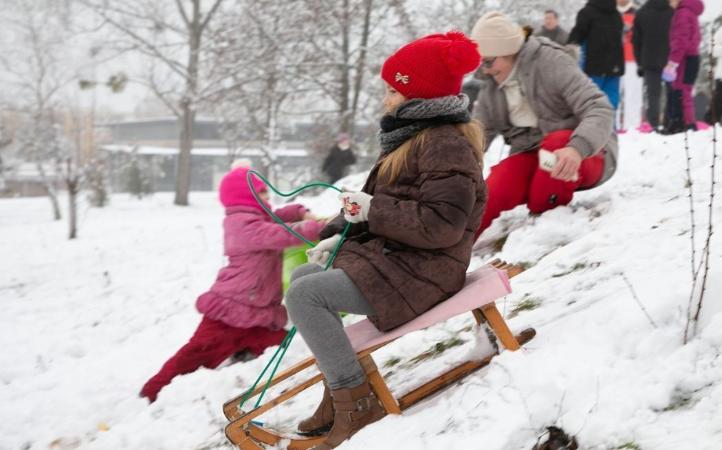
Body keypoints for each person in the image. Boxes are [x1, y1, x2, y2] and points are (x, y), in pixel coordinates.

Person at [284, 32, 486, 450]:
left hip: (425, 270)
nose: (385, 99)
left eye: (393, 90)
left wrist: (373, 210)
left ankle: (356, 402)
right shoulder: (412, 138)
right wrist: (337, 231)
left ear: (419, 96)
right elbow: (374, 205)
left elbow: (441, 224)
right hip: (400, 262)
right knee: (306, 274)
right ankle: (337, 392)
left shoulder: (445, 145)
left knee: (306, 296)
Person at [139, 162, 325, 403]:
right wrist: (317, 228)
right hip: (229, 312)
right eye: (261, 193)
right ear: (244, 197)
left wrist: (298, 211)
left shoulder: (256, 219)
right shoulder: (242, 225)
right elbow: (279, 234)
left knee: (283, 349)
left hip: (256, 316)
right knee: (195, 354)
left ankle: (246, 374)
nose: (268, 197)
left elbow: (277, 219)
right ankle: (152, 392)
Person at [469, 11, 617, 239]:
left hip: (587, 153)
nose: (485, 70)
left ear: (509, 52)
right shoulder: (490, 84)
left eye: (489, 61)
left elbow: (599, 107)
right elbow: (476, 136)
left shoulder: (551, 61)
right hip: (533, 156)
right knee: (495, 187)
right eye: (481, 63)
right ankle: (448, 250)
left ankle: (545, 225)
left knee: (556, 147)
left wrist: (577, 148)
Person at [567, 0, 625, 109]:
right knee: (611, 101)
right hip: (614, 66)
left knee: (592, 100)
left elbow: (576, 37)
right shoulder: (616, 14)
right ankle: (609, 125)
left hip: (593, 66)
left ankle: (594, 125)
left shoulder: (586, 13)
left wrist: (568, 56)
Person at [661, 0, 704, 134]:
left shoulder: (682, 13)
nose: (668, 2)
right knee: (685, 91)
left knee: (679, 90)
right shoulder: (690, 12)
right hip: (692, 56)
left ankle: (679, 124)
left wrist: (672, 62)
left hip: (684, 58)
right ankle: (688, 123)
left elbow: (680, 41)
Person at [633, 0, 674, 131]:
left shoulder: (641, 13)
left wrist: (639, 62)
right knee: (671, 93)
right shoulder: (673, 13)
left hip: (649, 60)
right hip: (670, 60)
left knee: (652, 95)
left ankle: (653, 125)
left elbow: (636, 41)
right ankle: (670, 124)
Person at [618, 0, 643, 130]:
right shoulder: (610, 11)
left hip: (633, 60)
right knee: (614, 95)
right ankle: (612, 126)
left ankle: (632, 126)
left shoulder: (638, 12)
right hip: (615, 60)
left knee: (633, 94)